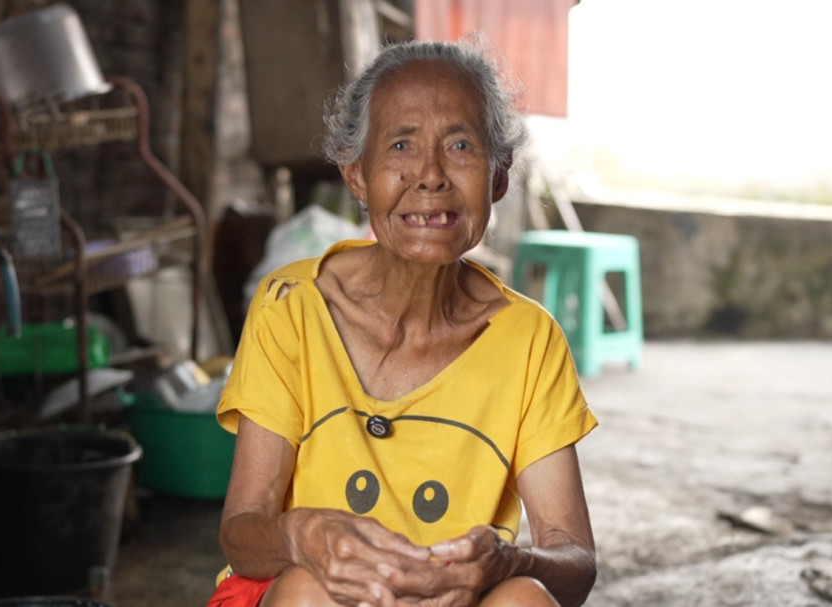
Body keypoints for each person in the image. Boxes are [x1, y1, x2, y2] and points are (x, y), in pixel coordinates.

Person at [210, 36, 598, 607]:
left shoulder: (528, 339)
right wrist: (303, 535)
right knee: (306, 590)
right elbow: (242, 533)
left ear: (497, 176)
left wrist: (506, 561)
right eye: (400, 145)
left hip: (447, 598)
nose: (431, 175)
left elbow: (575, 562)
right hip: (316, 592)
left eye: (461, 145)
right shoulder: (291, 304)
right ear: (357, 175)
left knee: (527, 599)